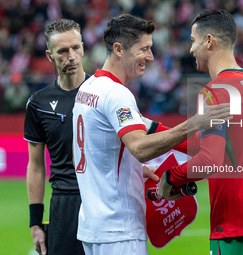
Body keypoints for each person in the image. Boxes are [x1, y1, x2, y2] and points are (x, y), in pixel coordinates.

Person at [72, 14, 232, 255]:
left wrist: (133, 169)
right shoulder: (117, 94)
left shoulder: (87, 88)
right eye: (143, 49)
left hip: (93, 224)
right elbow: (140, 148)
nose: (150, 57)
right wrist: (196, 122)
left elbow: (93, 151)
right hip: (120, 229)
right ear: (118, 49)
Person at [158, 9, 243, 255]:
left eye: (193, 40)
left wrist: (171, 178)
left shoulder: (214, 91)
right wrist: (160, 132)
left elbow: (209, 160)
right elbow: (223, 143)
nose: (191, 49)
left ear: (209, 41)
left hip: (238, 224)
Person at [24, 19, 89, 255]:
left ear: (83, 47)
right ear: (50, 56)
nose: (71, 56)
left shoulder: (106, 93)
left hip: (103, 199)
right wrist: (35, 223)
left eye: (76, 48)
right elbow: (36, 166)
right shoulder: (38, 104)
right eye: (62, 51)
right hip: (64, 204)